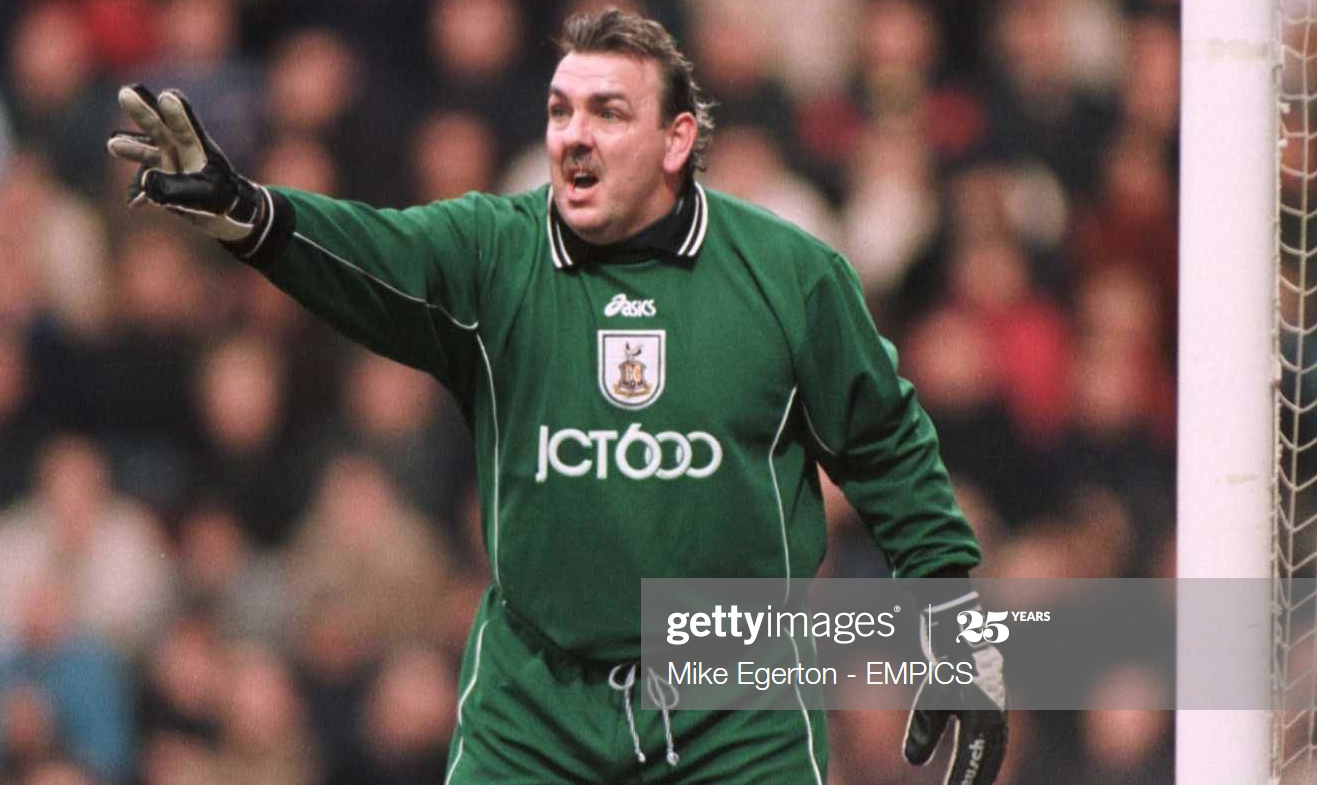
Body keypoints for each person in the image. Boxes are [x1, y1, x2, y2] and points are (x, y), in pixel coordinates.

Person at [106, 9, 1006, 784]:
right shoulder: (494, 250)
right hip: (536, 693)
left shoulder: (791, 274)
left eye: (607, 112)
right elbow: (372, 251)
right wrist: (248, 212)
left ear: (676, 140)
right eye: (559, 110)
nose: (573, 134)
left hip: (734, 692)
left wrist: (954, 627)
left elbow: (886, 445)